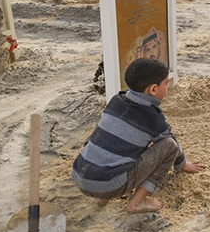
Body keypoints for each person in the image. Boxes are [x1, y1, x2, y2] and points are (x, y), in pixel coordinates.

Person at [72, 58, 203, 213]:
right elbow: (171, 142)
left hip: (79, 175)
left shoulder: (116, 100)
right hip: (109, 185)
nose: (167, 87)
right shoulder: (152, 118)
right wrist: (182, 163)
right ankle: (137, 202)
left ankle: (102, 197)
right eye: (166, 83)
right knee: (170, 146)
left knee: (108, 134)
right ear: (153, 89)